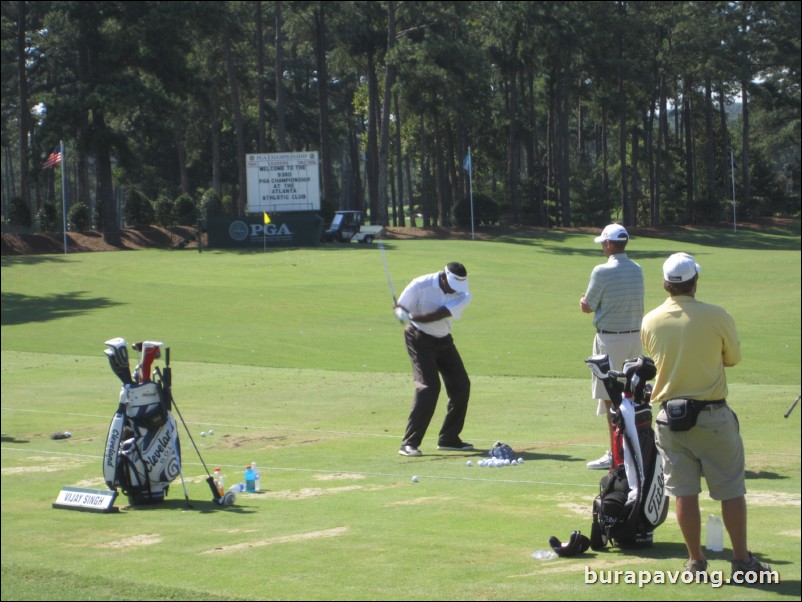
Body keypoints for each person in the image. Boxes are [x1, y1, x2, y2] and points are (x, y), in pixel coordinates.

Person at [641, 253, 771, 578]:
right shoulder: (717, 316)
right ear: (694, 281)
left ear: (665, 284)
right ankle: (741, 560)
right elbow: (733, 358)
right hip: (712, 416)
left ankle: (696, 561)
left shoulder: (651, 320)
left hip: (669, 420)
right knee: (730, 489)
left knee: (684, 491)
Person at [580, 224, 644, 470]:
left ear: (608, 244)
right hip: (635, 340)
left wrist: (584, 303)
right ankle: (634, 450)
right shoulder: (637, 269)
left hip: (610, 341)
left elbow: (590, 304)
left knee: (611, 400)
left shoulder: (601, 271)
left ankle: (616, 455)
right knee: (633, 398)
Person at [394, 262, 473, 457]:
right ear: (444, 277)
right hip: (418, 338)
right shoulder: (420, 285)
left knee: (462, 385)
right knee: (429, 387)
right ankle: (409, 443)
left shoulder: (464, 294)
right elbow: (401, 307)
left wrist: (411, 315)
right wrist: (400, 312)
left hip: (444, 340)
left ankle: (449, 438)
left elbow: (439, 315)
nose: (456, 291)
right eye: (453, 286)